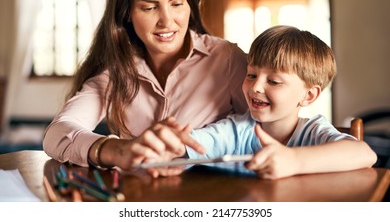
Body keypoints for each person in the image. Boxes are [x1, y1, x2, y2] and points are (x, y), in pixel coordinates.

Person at [42, 0, 247, 171]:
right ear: (126, 12)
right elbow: (57, 134)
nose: (167, 21)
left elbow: (266, 131)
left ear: (190, 3)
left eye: (177, 3)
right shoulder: (116, 71)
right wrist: (119, 150)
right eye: (149, 8)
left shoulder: (227, 59)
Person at [146, 25, 377, 179]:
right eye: (252, 75)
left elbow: (365, 154)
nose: (256, 87)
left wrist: (294, 161)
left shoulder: (314, 132)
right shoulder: (237, 130)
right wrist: (172, 149)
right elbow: (195, 144)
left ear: (308, 95)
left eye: (274, 81)